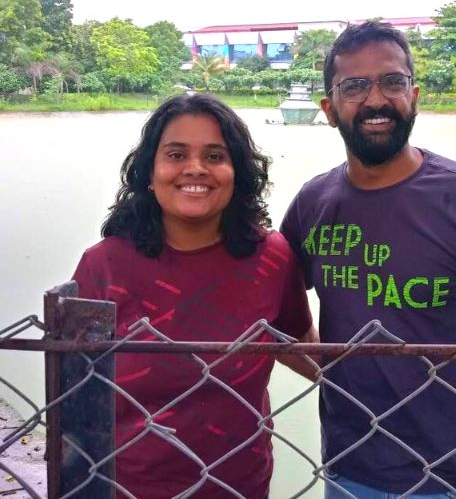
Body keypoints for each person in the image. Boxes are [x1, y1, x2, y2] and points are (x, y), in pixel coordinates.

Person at [279, 21, 456, 499]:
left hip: (453, 477)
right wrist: (335, 372)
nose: (376, 100)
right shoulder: (312, 203)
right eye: (355, 86)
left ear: (415, 96)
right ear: (329, 109)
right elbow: (275, 311)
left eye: (392, 82)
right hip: (346, 468)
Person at [71, 93, 315, 497]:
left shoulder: (272, 257)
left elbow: (298, 344)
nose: (196, 169)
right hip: (127, 487)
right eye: (177, 154)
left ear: (237, 172)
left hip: (240, 486)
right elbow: (73, 395)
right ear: (151, 171)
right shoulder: (104, 267)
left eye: (216, 156)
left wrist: (378, 384)